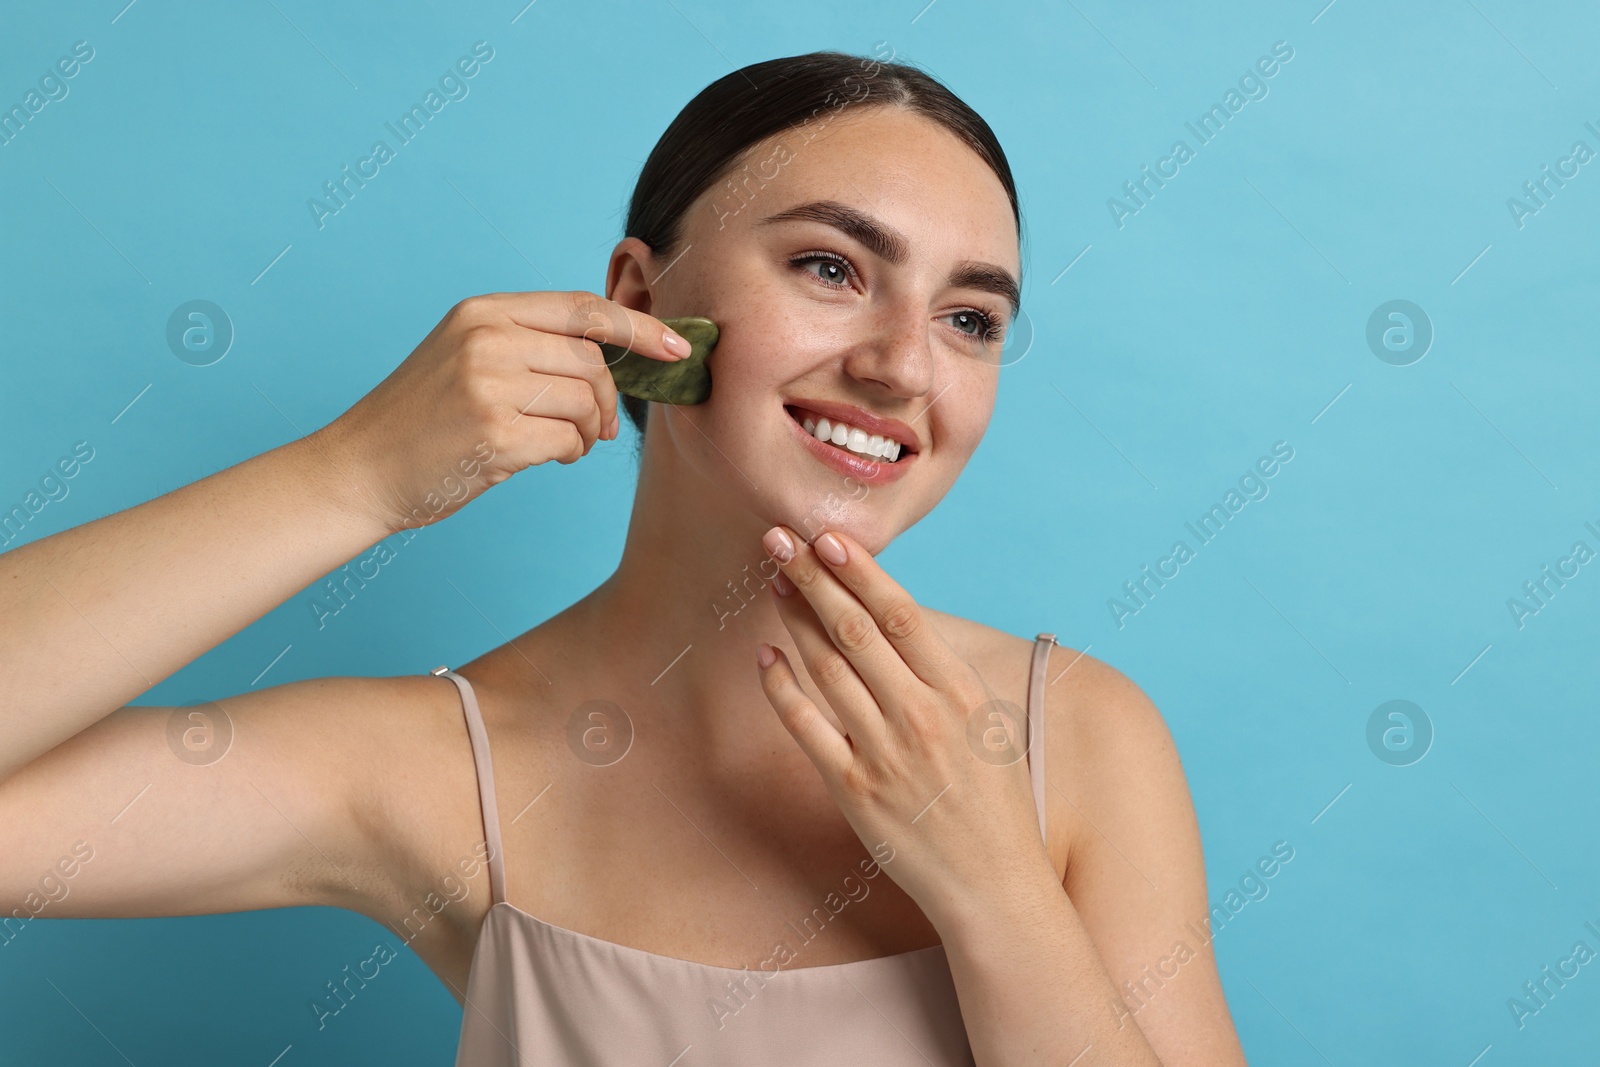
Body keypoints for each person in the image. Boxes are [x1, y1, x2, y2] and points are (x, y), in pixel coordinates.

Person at [0, 49, 1248, 1066]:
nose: (902, 365)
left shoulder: (1073, 737)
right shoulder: (443, 770)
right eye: (829, 266)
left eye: (968, 319)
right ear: (638, 298)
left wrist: (992, 884)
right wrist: (354, 474)